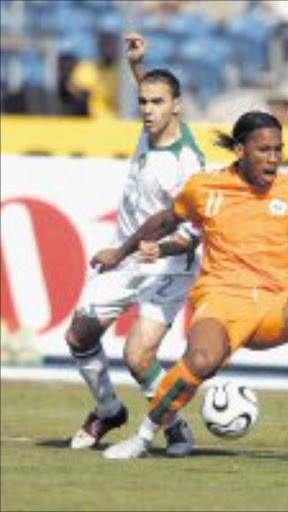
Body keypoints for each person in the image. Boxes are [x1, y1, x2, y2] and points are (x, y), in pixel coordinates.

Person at [91, 111, 288, 460]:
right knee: (201, 360)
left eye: (278, 149)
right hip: (220, 302)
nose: (273, 158)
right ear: (240, 150)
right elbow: (164, 221)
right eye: (264, 150)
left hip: (275, 308)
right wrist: (121, 252)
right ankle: (143, 437)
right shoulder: (205, 188)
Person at [65, 33, 205, 456]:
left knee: (138, 356)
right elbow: (152, 89)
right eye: (142, 101)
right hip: (126, 257)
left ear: (176, 106)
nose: (146, 110)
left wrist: (154, 251)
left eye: (157, 102)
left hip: (166, 266)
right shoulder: (150, 129)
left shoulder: (188, 166)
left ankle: (176, 427)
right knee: (78, 337)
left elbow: (193, 235)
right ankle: (108, 410)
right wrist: (137, 66)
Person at [68, 31, 120, 118]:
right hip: (90, 123)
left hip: (118, 124)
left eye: (110, 44)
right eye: (104, 44)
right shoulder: (86, 68)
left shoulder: (125, 73)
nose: (107, 49)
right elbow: (74, 93)